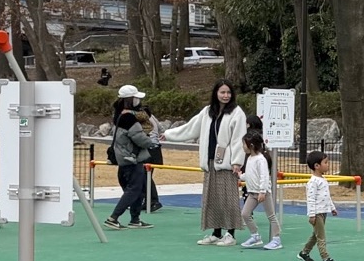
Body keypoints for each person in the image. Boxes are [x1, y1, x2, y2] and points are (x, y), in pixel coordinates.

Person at [166, 80, 248, 245]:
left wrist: (237, 162)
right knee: (212, 199)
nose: (225, 96)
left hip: (227, 164)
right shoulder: (207, 112)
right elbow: (190, 128)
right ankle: (216, 233)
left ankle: (230, 234)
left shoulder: (237, 113)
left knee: (228, 199)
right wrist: (168, 134)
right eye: (222, 92)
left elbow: (239, 138)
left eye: (228, 92)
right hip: (210, 161)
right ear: (216, 93)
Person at [104, 106, 157, 230]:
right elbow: (142, 140)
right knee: (133, 190)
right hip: (132, 160)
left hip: (126, 160)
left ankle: (135, 219)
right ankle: (113, 218)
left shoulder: (119, 120)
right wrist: (150, 141)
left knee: (139, 190)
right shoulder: (130, 122)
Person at [238, 131, 282, 249]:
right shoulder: (250, 158)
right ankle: (255, 236)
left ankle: (276, 239)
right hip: (252, 192)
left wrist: (262, 191)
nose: (243, 147)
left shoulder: (260, 159)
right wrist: (241, 176)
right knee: (245, 214)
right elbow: (250, 174)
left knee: (271, 216)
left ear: (251, 145)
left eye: (244, 144)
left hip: (263, 193)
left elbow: (264, 176)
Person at [297, 150, 338, 261]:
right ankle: (326, 258)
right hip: (317, 213)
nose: (328, 164)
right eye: (325, 162)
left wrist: (332, 208)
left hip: (323, 212)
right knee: (321, 237)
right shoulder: (313, 182)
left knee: (316, 235)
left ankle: (304, 252)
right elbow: (310, 199)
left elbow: (327, 196)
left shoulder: (323, 179)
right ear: (316, 166)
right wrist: (312, 215)